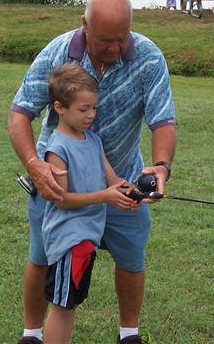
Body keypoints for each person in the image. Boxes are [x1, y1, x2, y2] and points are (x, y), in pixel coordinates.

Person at [8, 0, 177, 344]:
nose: (115, 48)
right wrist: (34, 165)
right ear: (85, 25)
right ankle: (32, 334)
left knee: (131, 259)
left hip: (123, 182)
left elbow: (163, 121)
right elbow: (20, 113)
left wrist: (160, 168)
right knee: (42, 258)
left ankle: (129, 333)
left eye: (122, 38)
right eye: (105, 40)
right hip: (57, 185)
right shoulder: (57, 52)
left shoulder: (147, 57)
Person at [42, 63, 139, 344]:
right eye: (83, 109)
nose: (91, 115)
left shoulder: (93, 140)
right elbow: (62, 200)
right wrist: (105, 197)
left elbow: (113, 181)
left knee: (70, 305)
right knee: (62, 307)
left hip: (86, 239)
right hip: (68, 240)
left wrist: (133, 192)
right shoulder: (57, 149)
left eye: (94, 108)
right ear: (60, 107)